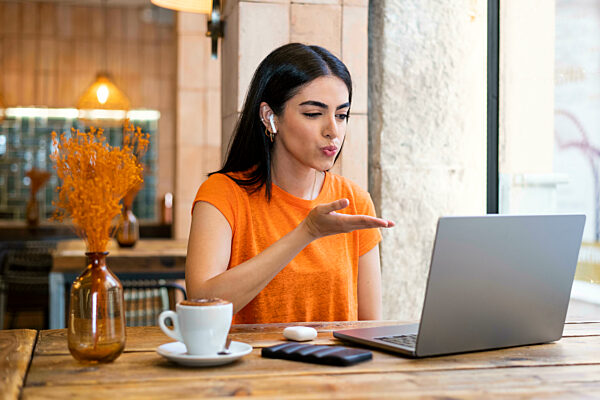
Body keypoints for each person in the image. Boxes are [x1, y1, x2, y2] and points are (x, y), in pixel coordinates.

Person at [185, 43, 394, 324]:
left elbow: (369, 326)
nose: (333, 130)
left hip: (337, 367)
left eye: (341, 115)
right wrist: (307, 231)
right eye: (313, 114)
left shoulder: (354, 199)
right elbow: (201, 302)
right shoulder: (223, 194)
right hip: (252, 367)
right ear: (270, 117)